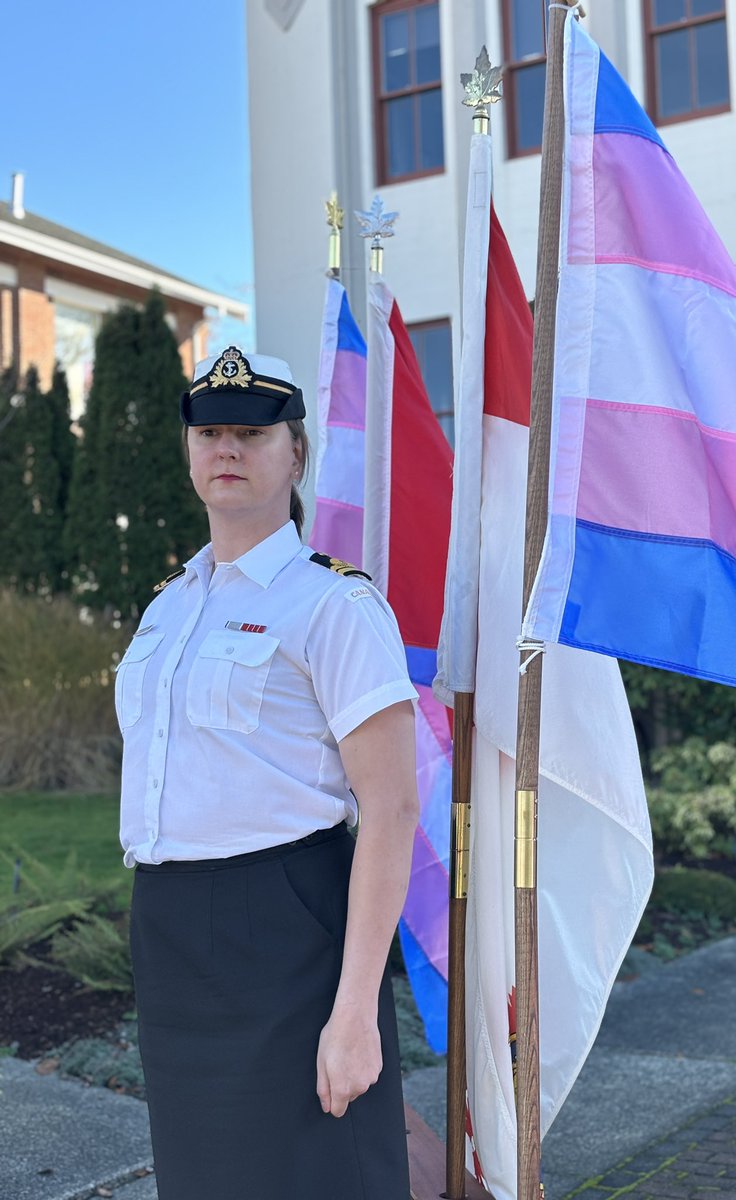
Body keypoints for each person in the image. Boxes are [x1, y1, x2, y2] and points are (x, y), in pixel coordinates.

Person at [115, 346, 419, 1199]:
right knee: (204, 1176)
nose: (228, 449)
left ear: (295, 453)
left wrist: (355, 1012)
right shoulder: (167, 605)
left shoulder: (333, 604)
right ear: (188, 451)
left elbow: (392, 808)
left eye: (252, 432)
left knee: (316, 1172)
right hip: (172, 929)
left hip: (283, 926)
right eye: (210, 431)